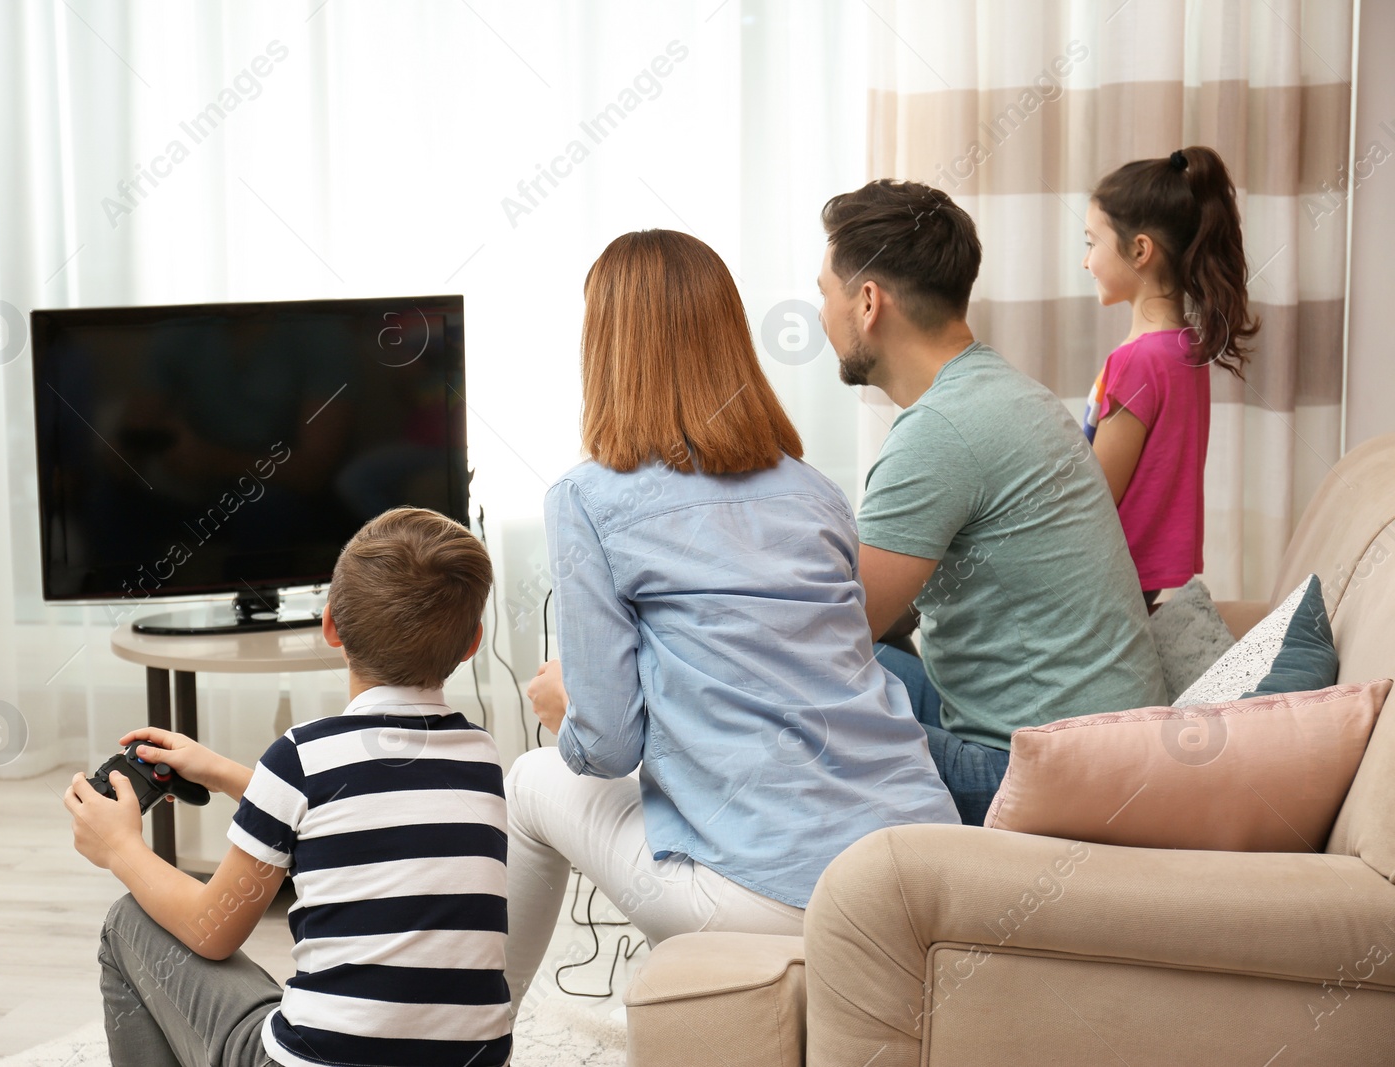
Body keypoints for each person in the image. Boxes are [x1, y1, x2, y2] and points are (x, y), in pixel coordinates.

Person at [508, 229, 959, 1013]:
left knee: (527, 782)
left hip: (775, 901)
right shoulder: (814, 489)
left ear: (605, 350)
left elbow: (609, 747)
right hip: (923, 870)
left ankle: (471, 1039)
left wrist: (567, 708)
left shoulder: (586, 498)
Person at [65, 507, 511, 1067]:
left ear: (329, 626)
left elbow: (212, 931)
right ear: (471, 643)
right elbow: (355, 819)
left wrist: (120, 849)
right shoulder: (483, 758)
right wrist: (228, 773)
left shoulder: (301, 757)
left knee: (128, 924)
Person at [815, 180, 1167, 825]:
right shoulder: (1010, 393)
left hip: (1046, 775)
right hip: (1111, 748)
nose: (820, 315)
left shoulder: (939, 431)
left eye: (823, 294)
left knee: (795, 712)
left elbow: (836, 634)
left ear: (867, 303)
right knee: (865, 668)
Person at [1082, 146, 1256, 606]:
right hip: (1141, 581)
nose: (1086, 262)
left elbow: (1094, 494)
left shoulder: (1140, 361)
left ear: (1139, 250)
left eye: (1090, 243)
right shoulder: (1185, 349)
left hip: (1106, 581)